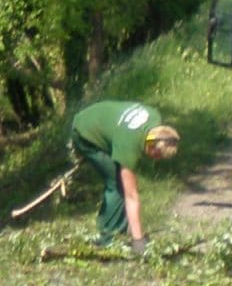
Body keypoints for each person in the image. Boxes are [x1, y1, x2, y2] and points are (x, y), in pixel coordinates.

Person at [69, 100, 179, 252]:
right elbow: (131, 196)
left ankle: (119, 231)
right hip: (83, 131)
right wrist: (138, 240)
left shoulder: (154, 119)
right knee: (117, 183)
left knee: (120, 179)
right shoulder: (129, 147)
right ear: (152, 147)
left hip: (99, 116)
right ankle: (107, 238)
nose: (156, 160)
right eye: (157, 156)